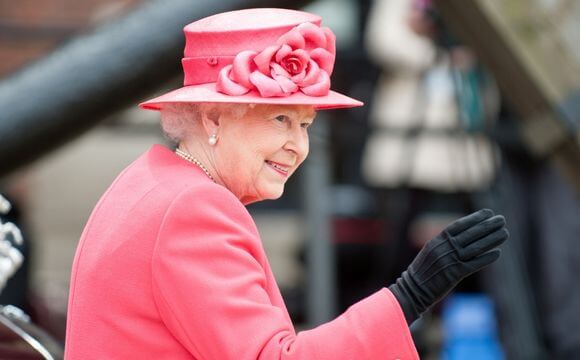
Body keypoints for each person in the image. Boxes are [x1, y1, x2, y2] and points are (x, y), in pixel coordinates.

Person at [64, 8, 508, 359]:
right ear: (214, 117)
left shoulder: (152, 181)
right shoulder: (194, 208)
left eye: (306, 124)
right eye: (281, 119)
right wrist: (410, 294)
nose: (299, 146)